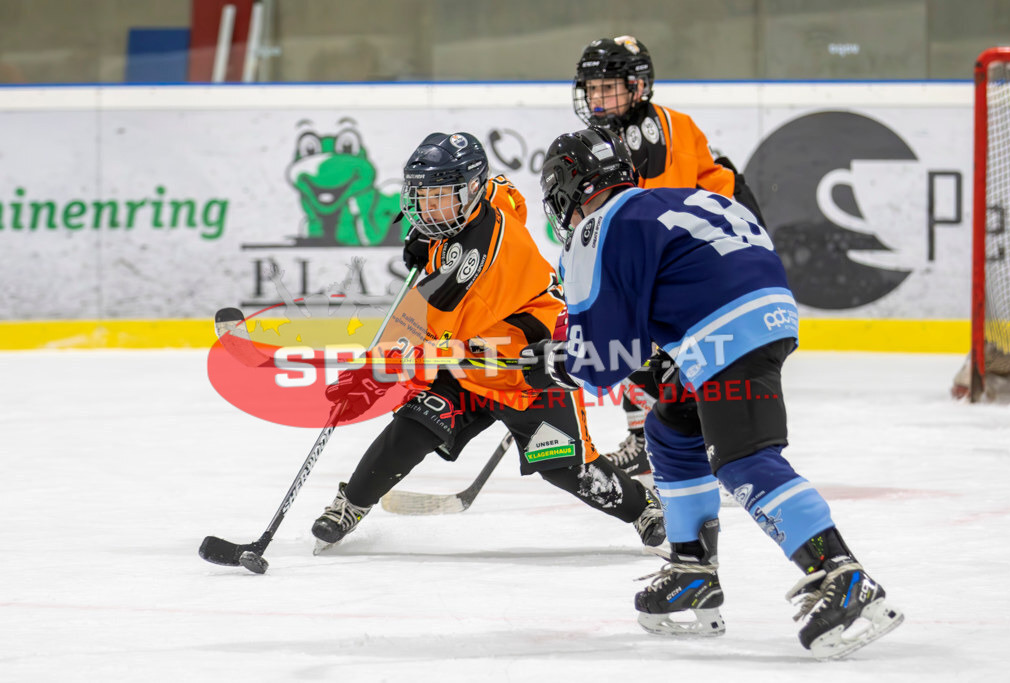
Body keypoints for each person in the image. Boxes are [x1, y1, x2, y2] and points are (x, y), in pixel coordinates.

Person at [522, 126, 903, 660]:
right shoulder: (672, 199)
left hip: (724, 334)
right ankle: (691, 569)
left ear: (565, 191)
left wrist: (554, 364)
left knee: (744, 459)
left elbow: (604, 361)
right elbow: (655, 329)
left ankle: (841, 574)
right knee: (673, 423)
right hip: (761, 318)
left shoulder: (598, 227)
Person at [310, 131, 665, 553]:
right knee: (416, 425)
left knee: (568, 470)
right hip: (472, 362)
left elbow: (425, 339)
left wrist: (374, 374)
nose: (427, 208)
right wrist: (428, 238)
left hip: (530, 367)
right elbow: (507, 193)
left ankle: (644, 506)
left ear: (469, 192)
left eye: (439, 197)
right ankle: (350, 504)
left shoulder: (474, 270)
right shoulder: (483, 200)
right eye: (423, 196)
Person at [571, 35, 766, 483]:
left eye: (608, 87)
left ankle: (714, 443)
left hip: (705, 258)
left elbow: (658, 211)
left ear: (637, 87)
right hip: (694, 254)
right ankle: (647, 442)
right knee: (637, 347)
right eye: (592, 88)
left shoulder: (658, 133)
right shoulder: (616, 133)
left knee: (660, 350)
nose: (597, 97)